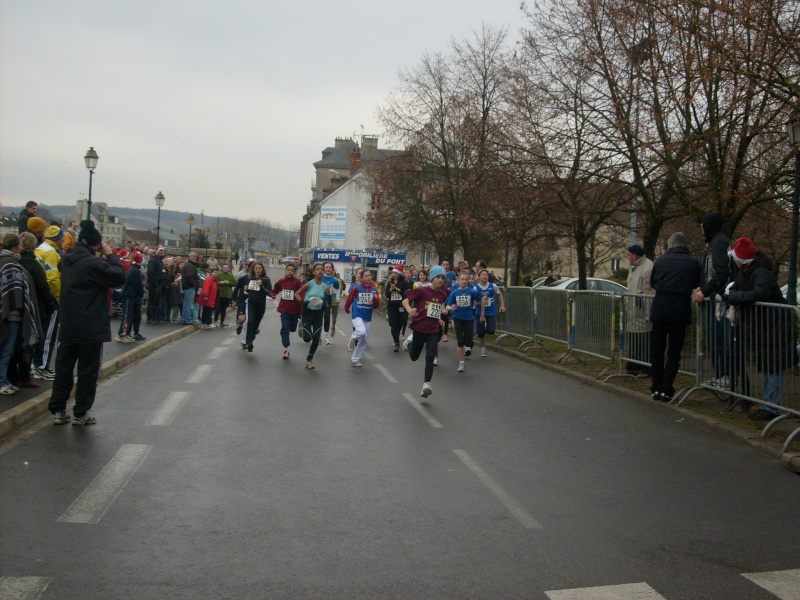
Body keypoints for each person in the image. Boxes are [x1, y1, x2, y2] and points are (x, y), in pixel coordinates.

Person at [48, 220, 125, 425]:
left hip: (68, 322)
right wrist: (110, 254)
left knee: (63, 369)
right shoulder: (93, 263)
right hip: (90, 325)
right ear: (96, 244)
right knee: (87, 371)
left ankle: (57, 409)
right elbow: (118, 276)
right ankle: (80, 412)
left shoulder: (67, 261)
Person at [724, 237, 797, 421]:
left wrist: (735, 296)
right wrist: (735, 295)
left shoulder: (760, 273)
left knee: (773, 365)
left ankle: (772, 408)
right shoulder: (749, 271)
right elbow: (738, 290)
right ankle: (769, 405)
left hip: (774, 325)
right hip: (765, 325)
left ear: (740, 260)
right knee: (769, 364)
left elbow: (759, 293)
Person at [648, 232, 702, 402]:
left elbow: (653, 282)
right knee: (674, 351)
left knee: (657, 350)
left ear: (670, 245)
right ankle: (667, 388)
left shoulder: (661, 261)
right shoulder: (693, 263)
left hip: (660, 308)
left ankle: (656, 386)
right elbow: (696, 283)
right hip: (680, 308)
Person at [692, 211, 731, 389]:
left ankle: (724, 377)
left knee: (718, 339)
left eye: (703, 225)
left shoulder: (718, 244)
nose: (701, 228)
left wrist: (705, 291)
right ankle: (720, 376)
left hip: (719, 302)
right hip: (715, 299)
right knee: (715, 339)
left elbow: (720, 273)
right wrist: (703, 286)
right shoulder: (716, 243)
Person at [0, 234, 42, 395]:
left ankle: (5, 380)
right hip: (12, 314)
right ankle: (2, 381)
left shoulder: (6, 262)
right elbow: (15, 291)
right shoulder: (11, 264)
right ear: (17, 246)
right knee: (6, 350)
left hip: (8, 311)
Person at [13, 232, 55, 389]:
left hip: (15, 306)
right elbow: (43, 288)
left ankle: (12, 374)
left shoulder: (15, 262)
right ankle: (24, 375)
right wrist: (51, 305)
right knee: (29, 342)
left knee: (13, 343)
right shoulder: (34, 265)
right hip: (33, 308)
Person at [402, 265, 449, 398]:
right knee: (414, 357)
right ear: (432, 278)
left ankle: (426, 384)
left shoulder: (443, 294)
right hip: (419, 328)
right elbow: (405, 301)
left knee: (430, 356)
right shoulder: (422, 291)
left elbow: (435, 308)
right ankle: (409, 342)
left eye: (442, 278)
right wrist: (410, 310)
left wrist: (439, 318)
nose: (440, 280)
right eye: (438, 277)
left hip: (433, 329)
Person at [33, 225, 64, 380]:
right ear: (57, 238)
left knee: (40, 331)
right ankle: (42, 366)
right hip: (50, 297)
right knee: (49, 334)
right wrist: (59, 298)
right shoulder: (52, 253)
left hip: (38, 295)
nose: (64, 239)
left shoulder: (39, 248)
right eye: (62, 236)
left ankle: (36, 363)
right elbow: (52, 278)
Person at [625, 244, 654, 376]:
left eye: (629, 254)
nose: (627, 257)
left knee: (643, 340)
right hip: (634, 310)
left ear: (635, 255)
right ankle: (633, 365)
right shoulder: (634, 267)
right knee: (634, 338)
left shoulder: (647, 268)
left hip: (641, 310)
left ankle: (644, 367)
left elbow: (649, 292)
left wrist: (648, 314)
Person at [344, 267, 380, 368]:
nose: (368, 277)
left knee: (365, 340)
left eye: (370, 275)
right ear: (362, 277)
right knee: (361, 331)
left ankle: (355, 359)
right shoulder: (357, 288)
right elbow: (350, 298)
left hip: (367, 317)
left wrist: (376, 299)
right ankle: (352, 338)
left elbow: (376, 306)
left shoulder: (374, 289)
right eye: (366, 276)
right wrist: (346, 307)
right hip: (357, 314)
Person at [446, 271, 481, 372]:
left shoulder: (472, 292)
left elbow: (480, 300)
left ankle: (469, 345)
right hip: (457, 318)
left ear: (468, 280)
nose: (464, 281)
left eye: (466, 279)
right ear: (458, 280)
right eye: (462, 279)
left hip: (469, 318)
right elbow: (448, 305)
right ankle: (461, 363)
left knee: (468, 341)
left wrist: (479, 303)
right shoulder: (455, 292)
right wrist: (451, 307)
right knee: (460, 342)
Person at [296, 263, 328, 368]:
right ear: (314, 272)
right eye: (317, 269)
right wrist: (301, 301)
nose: (320, 271)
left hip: (318, 313)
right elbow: (297, 294)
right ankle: (302, 326)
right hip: (307, 311)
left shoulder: (325, 287)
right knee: (307, 338)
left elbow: (328, 300)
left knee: (316, 337)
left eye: (321, 269)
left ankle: (309, 359)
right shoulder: (309, 284)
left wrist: (325, 304)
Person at [269, 263, 304, 359]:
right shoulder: (281, 281)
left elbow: (302, 291)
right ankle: (286, 349)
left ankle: (293, 326)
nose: (290, 272)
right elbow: (275, 289)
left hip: (295, 309)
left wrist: (302, 301)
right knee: (285, 328)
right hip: (284, 308)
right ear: (285, 271)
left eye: (292, 270)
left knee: (292, 328)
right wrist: (273, 294)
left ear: (294, 272)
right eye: (288, 270)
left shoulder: (297, 282)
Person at [474, 268, 507, 357]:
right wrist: (480, 302)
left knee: (491, 331)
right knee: (480, 333)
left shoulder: (493, 286)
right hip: (479, 311)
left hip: (490, 311)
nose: (485, 276)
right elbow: (474, 302)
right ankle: (483, 348)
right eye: (483, 275)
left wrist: (502, 305)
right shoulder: (476, 288)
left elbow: (499, 294)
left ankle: (485, 328)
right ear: (479, 277)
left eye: (486, 275)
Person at [116, 252, 146, 342]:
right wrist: (141, 293)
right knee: (127, 315)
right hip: (130, 295)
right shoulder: (135, 271)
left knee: (131, 315)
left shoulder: (133, 269)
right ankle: (122, 334)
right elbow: (137, 285)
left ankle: (127, 333)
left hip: (132, 295)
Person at [242, 261, 272, 352]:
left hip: (261, 304)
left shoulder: (266, 279)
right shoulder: (250, 278)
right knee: (250, 321)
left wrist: (261, 285)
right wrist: (246, 289)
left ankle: (251, 339)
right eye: (256, 268)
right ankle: (249, 343)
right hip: (251, 303)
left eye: (260, 268)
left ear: (262, 269)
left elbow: (269, 293)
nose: (258, 270)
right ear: (253, 270)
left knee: (255, 325)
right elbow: (248, 291)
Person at [384, 263, 411, 351]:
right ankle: (396, 342)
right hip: (392, 306)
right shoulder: (390, 282)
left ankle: (397, 335)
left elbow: (407, 295)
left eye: (396, 273)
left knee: (400, 323)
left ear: (400, 274)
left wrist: (398, 290)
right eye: (394, 273)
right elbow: (387, 295)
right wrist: (391, 289)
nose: (394, 275)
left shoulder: (404, 283)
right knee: (393, 324)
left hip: (401, 306)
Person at [321, 262, 341, 345]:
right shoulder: (320, 278)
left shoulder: (334, 280)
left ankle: (326, 337)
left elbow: (336, 289)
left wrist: (337, 298)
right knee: (318, 319)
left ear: (332, 269)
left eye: (330, 267)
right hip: (319, 301)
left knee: (326, 318)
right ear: (323, 269)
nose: (328, 269)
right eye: (326, 267)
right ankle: (317, 335)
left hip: (328, 303)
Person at [146, 245, 167, 324]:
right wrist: (155, 283)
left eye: (163, 251)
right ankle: (150, 318)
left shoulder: (160, 261)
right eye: (161, 251)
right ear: (157, 252)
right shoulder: (153, 261)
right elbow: (150, 273)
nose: (162, 253)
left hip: (159, 284)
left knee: (157, 302)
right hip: (154, 284)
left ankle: (155, 317)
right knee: (152, 302)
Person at [181, 251, 200, 325]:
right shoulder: (190, 266)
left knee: (186, 303)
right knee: (188, 303)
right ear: (189, 257)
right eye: (193, 256)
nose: (195, 257)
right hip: (189, 287)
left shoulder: (189, 265)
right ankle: (187, 319)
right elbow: (189, 277)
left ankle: (184, 318)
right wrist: (194, 284)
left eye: (195, 256)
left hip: (187, 286)